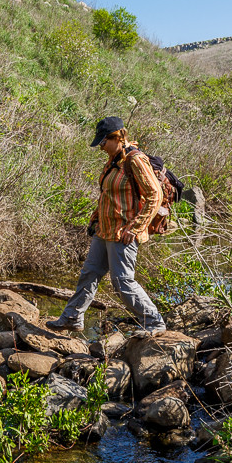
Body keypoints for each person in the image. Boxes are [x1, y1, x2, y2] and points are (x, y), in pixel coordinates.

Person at [47, 116, 167, 338]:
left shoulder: (135, 160)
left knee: (122, 281)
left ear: (118, 137)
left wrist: (136, 227)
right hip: (104, 230)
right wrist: (94, 219)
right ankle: (72, 317)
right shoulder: (114, 159)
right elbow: (106, 195)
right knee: (89, 273)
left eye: (104, 142)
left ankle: (154, 321)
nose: (101, 147)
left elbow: (155, 195)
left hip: (123, 233)